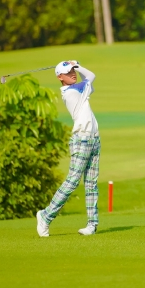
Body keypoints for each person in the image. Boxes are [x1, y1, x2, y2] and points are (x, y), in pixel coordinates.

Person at [36, 60, 100, 237]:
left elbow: (89, 81)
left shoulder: (79, 89)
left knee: (91, 183)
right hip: (82, 140)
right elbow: (91, 76)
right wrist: (78, 65)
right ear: (60, 77)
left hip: (94, 138)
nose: (73, 73)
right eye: (69, 72)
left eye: (73, 71)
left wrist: (75, 66)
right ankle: (45, 216)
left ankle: (92, 225)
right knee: (72, 181)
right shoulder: (72, 91)